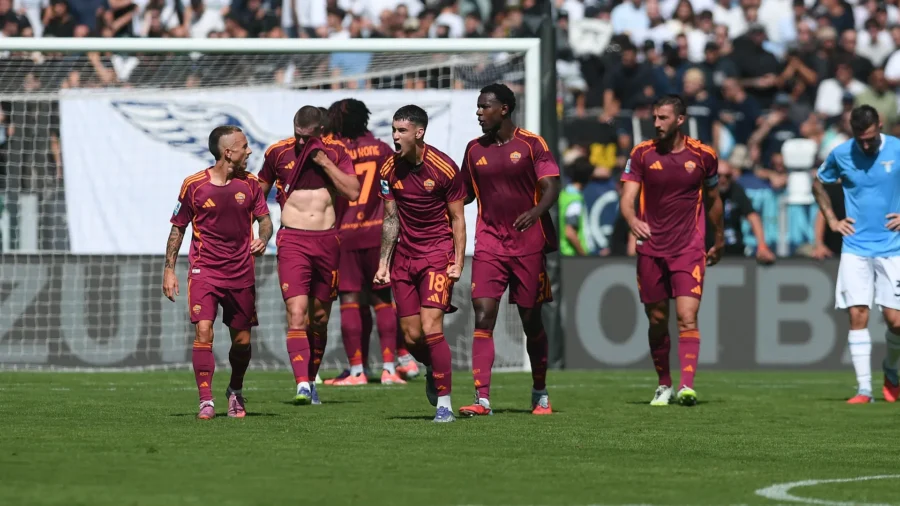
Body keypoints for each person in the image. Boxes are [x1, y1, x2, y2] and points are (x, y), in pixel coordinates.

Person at [457, 83, 561, 417]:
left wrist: (536, 212)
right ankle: (482, 398)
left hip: (528, 245)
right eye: (477, 106)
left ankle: (540, 391)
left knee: (531, 321)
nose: (478, 112)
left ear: (504, 109)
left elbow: (551, 185)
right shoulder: (474, 150)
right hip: (488, 244)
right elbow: (464, 195)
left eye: (484, 107)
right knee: (483, 315)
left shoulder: (532, 144)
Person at [619, 94, 724, 407]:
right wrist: (631, 219)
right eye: (654, 118)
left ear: (680, 120)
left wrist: (718, 239)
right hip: (651, 248)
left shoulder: (704, 155)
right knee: (657, 319)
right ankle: (663, 383)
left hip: (688, 248)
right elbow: (627, 197)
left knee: (687, 317)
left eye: (663, 118)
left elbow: (714, 200)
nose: (656, 124)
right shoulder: (641, 154)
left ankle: (686, 386)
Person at [162, 125, 273, 420]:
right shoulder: (194, 185)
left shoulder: (250, 184)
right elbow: (178, 229)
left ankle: (235, 390)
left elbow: (265, 220)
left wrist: (264, 237)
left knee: (242, 342)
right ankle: (206, 400)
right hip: (205, 270)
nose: (249, 151)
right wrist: (169, 270)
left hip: (240, 272)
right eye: (244, 146)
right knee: (203, 330)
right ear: (228, 153)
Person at [257, 106, 360, 405]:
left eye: (307, 137)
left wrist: (323, 162)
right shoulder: (278, 153)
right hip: (292, 241)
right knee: (297, 314)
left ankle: (311, 379)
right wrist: (258, 232)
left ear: (321, 133)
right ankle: (302, 383)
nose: (301, 143)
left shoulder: (336, 153)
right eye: (297, 135)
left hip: (327, 241)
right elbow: (257, 195)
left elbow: (353, 192)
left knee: (319, 319)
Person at [374, 104, 467, 423]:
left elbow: (457, 218)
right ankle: (434, 370)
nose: (395, 136)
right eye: (393, 130)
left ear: (419, 132)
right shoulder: (388, 169)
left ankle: (444, 404)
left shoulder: (444, 167)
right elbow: (390, 219)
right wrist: (384, 262)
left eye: (401, 131)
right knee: (411, 336)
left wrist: (458, 261)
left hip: (437, 256)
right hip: (404, 259)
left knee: (431, 328)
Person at [812, 105, 900, 404]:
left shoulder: (897, 149)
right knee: (857, 314)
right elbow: (819, 183)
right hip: (856, 247)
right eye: (860, 139)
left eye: (871, 138)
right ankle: (865, 390)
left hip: (894, 246)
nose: (865, 144)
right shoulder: (841, 153)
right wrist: (832, 219)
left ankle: (891, 369)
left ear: (880, 125)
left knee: (896, 321)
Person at [325, 99, 415, 386]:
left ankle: (357, 371)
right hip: (380, 232)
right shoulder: (381, 148)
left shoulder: (332, 149)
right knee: (383, 300)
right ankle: (390, 367)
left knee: (350, 302)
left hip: (345, 233)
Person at [560, 156, 591, 257]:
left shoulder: (564, 194)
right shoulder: (575, 200)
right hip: (572, 256)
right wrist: (583, 255)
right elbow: (569, 232)